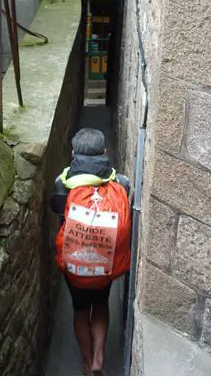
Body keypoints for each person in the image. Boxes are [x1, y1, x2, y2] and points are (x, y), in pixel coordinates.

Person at [51, 128, 132, 375]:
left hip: (75, 267)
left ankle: (87, 364)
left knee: (80, 310)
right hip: (105, 266)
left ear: (74, 153)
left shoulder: (62, 184)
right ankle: (99, 359)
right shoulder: (122, 184)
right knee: (100, 306)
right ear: (104, 152)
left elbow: (56, 210)